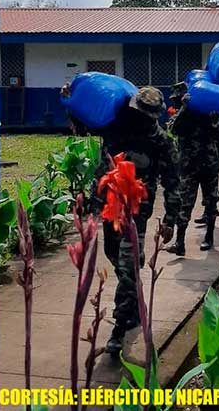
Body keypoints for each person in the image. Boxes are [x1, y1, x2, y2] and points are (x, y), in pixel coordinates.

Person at [72, 85, 180, 355]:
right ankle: (132, 299)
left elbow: (172, 183)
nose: (140, 118)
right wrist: (72, 99)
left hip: (137, 211)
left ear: (155, 116)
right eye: (137, 112)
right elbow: (87, 133)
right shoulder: (117, 127)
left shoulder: (162, 143)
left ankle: (119, 329)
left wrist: (170, 219)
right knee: (114, 255)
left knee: (128, 263)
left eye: (146, 115)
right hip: (110, 205)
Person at [165, 82, 219, 256]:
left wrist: (211, 119)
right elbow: (173, 129)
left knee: (211, 200)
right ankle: (180, 242)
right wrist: (185, 110)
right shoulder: (181, 115)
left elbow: (217, 132)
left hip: (208, 163)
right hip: (189, 166)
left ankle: (209, 237)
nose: (175, 103)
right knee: (185, 203)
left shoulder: (205, 112)